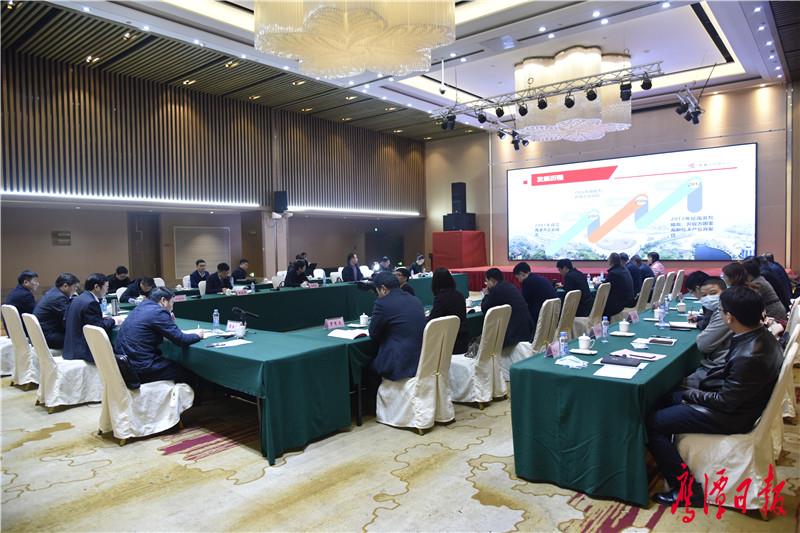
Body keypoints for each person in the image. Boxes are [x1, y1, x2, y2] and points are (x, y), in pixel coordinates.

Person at [646, 286, 782, 507]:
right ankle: (666, 458)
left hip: (731, 416)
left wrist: (690, 394)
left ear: (729, 317)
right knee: (665, 397)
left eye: (721, 311)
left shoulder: (749, 355)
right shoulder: (761, 335)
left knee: (653, 423)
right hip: (741, 404)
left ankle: (687, 490)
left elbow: (725, 402)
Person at [114, 288, 202, 383]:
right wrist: (198, 335)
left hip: (126, 366)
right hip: (142, 368)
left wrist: (168, 322)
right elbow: (182, 340)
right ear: (163, 300)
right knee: (188, 373)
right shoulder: (158, 312)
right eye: (172, 303)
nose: (172, 307)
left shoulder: (141, 307)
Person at [368, 271, 426, 380]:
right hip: (421, 360)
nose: (378, 295)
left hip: (398, 365)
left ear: (383, 289)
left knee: (367, 365)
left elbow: (373, 334)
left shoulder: (382, 303)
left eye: (377, 291)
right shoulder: (415, 300)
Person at [685, 277, 731, 388]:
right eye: (704, 295)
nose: (709, 298)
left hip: (719, 372)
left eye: (713, 293)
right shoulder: (721, 309)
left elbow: (703, 345)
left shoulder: (726, 313)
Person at [63, 273, 117, 363]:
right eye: (106, 287)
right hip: (84, 352)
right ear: (96, 287)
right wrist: (114, 320)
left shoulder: (77, 299)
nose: (107, 290)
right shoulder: (91, 303)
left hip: (70, 348)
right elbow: (99, 328)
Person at [481, 268, 533, 347]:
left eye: (487, 281)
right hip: (527, 328)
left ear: (492, 280)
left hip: (514, 333)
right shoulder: (509, 285)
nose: (486, 284)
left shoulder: (496, 290)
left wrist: (486, 295)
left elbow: (484, 309)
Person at [33, 273, 80, 349]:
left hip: (41, 334)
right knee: (82, 339)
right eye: (75, 287)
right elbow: (69, 318)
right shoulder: (59, 298)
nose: (76, 290)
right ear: (65, 286)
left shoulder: (53, 292)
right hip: (48, 337)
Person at [428, 268, 469, 355]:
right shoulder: (460, 295)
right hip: (463, 338)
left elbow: (433, 320)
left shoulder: (440, 298)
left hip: (447, 342)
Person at [513, 262, 557, 328]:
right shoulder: (541, 278)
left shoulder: (527, 282)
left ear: (522, 274)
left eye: (518, 278)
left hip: (540, 315)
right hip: (552, 313)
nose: (519, 281)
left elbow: (524, 301)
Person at [604, 253, 635, 317]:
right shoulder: (625, 270)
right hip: (629, 300)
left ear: (610, 261)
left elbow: (604, 287)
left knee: (600, 302)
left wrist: (596, 285)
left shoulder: (613, 273)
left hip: (621, 303)